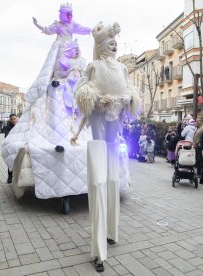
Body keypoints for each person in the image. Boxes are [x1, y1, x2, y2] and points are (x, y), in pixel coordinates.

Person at [73, 21, 140, 272]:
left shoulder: (122, 68)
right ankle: (98, 250)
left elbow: (131, 90)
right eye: (109, 43)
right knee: (99, 183)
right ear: (100, 46)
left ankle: (112, 232)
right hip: (99, 130)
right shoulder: (93, 65)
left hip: (114, 134)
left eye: (115, 43)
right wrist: (95, 99)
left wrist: (128, 98)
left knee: (112, 181)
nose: (114, 45)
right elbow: (81, 89)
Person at [4, 114, 18, 183]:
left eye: (14, 118)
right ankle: (10, 177)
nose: (13, 120)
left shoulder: (20, 126)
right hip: (11, 147)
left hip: (19, 146)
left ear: (17, 118)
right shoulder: (7, 127)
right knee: (11, 161)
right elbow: (6, 136)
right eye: (12, 119)